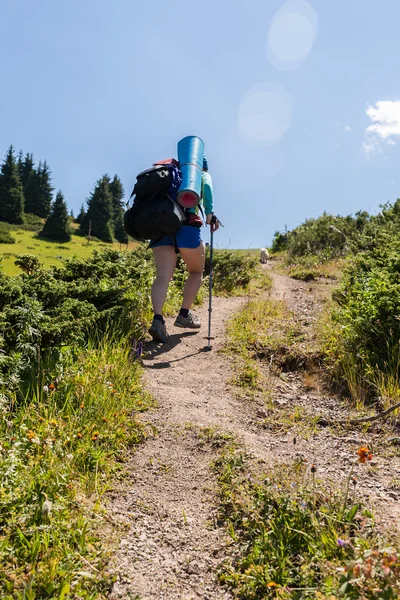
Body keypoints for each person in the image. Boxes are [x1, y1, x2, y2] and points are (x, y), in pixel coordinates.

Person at [148, 156, 221, 343]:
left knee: (162, 276)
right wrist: (210, 214)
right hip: (187, 227)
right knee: (196, 270)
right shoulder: (199, 175)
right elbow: (208, 190)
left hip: (160, 227)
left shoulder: (169, 176)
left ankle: (158, 320)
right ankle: (184, 314)